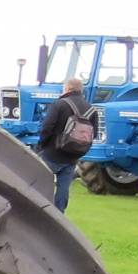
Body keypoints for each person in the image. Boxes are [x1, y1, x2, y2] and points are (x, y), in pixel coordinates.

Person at [35, 76, 95, 211]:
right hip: (73, 156)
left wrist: (41, 146)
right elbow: (93, 134)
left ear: (67, 88)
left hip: (52, 154)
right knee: (64, 188)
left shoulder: (59, 104)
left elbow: (47, 127)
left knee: (42, 183)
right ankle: (59, 215)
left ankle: (42, 211)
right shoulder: (91, 109)